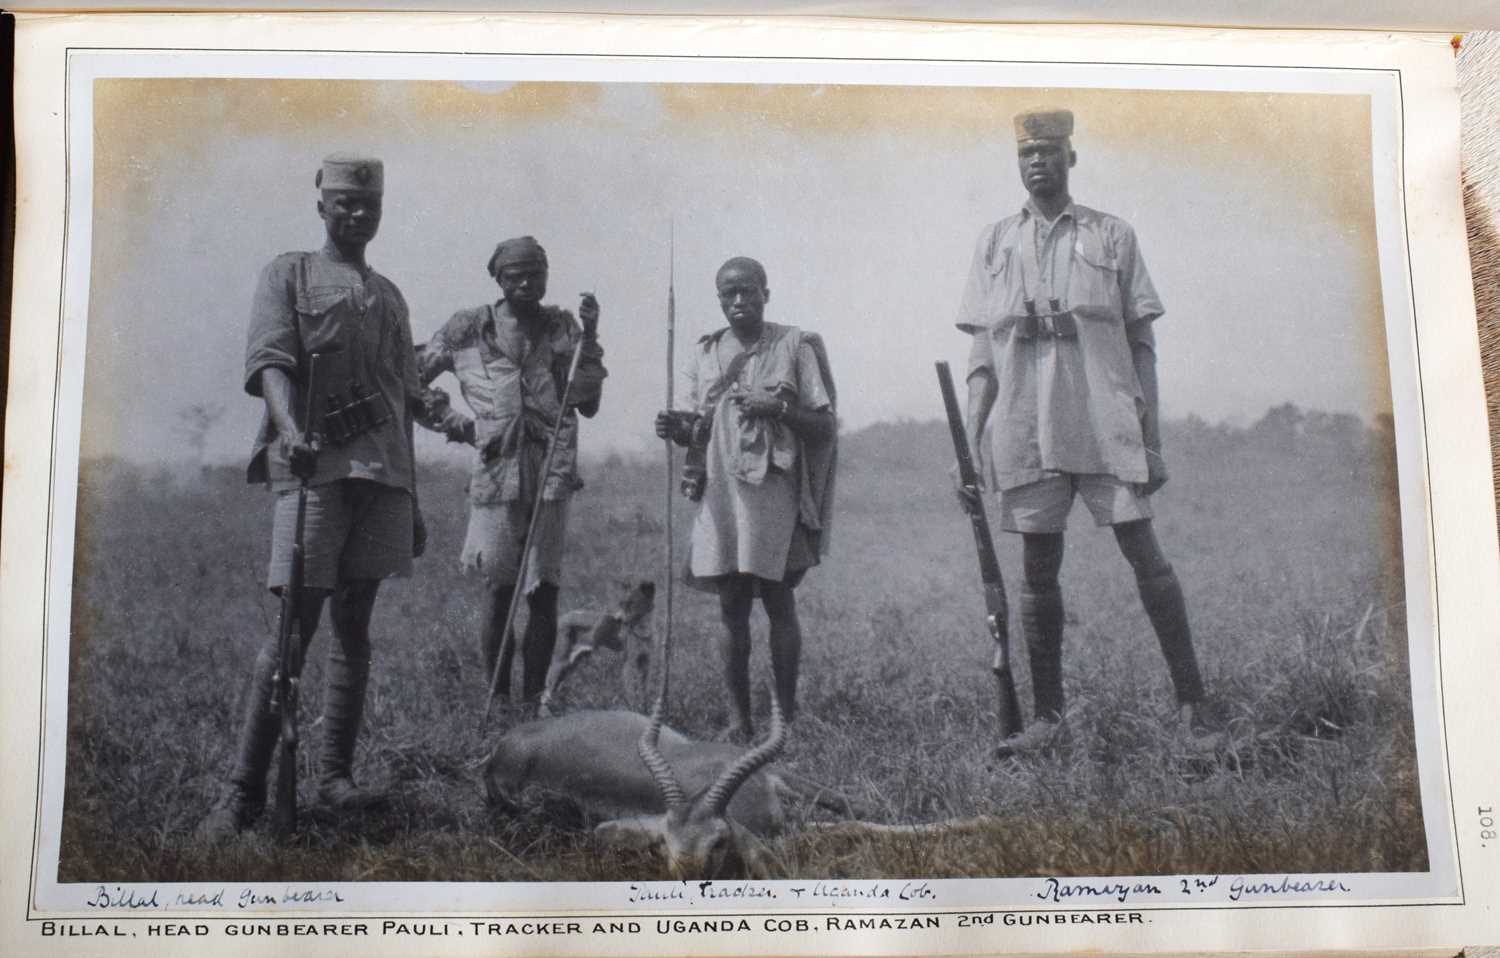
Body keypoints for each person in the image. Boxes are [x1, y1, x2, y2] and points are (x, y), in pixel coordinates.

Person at [954, 110, 1212, 755]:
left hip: (1104, 420)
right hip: (1023, 424)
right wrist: (968, 445)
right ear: (1017, 162)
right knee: (1037, 570)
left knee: (1145, 556)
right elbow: (982, 357)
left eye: (1048, 149)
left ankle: (1194, 706)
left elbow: (1142, 344)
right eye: (1026, 152)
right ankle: (1048, 719)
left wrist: (1151, 437)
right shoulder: (993, 243)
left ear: (1071, 156)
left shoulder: (1112, 235)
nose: (1037, 160)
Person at [199, 153, 428, 841]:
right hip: (315, 470)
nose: (358, 214)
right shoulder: (289, 273)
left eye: (370, 205)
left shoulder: (388, 294)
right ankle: (240, 795)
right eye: (345, 203)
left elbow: (400, 398)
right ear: (322, 205)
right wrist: (293, 430)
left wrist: (410, 495)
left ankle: (333, 778)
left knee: (355, 630)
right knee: (292, 632)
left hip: (383, 474)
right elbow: (270, 360)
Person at [415, 236, 606, 709]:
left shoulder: (564, 327)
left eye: (535, 274)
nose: (526, 283)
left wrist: (592, 336)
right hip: (495, 470)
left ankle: (534, 700)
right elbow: (410, 378)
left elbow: (590, 403)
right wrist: (456, 424)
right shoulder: (467, 328)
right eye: (514, 275)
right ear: (497, 279)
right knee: (499, 588)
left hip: (551, 472)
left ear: (546, 275)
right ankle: (498, 699)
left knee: (544, 591)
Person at [655, 257, 836, 742]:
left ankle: (786, 719)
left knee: (778, 600)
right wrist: (678, 428)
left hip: (772, 490)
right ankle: (739, 721)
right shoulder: (705, 353)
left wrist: (776, 407)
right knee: (731, 605)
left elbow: (824, 425)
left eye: (747, 292)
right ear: (718, 299)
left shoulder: (794, 345)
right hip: (718, 491)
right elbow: (698, 428)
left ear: (765, 293)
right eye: (728, 294)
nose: (738, 302)